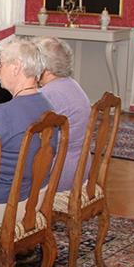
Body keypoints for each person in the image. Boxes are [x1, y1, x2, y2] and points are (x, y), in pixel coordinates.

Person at [0, 38, 55, 233]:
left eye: (0, 65)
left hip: (2, 207)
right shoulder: (49, 106)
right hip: (36, 198)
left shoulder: (3, 114)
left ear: (16, 67)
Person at [36, 36, 91, 192]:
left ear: (43, 67)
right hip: (79, 169)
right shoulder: (72, 84)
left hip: (58, 175)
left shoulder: (48, 94)